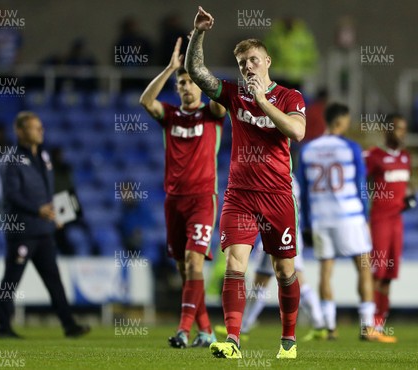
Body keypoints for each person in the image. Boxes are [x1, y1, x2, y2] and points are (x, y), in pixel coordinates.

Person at [185, 6, 306, 359]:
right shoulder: (232, 95)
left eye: (253, 60)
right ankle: (233, 340)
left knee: (284, 271)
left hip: (278, 196)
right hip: (240, 196)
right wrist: (199, 33)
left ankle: (288, 340)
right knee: (236, 264)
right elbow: (196, 71)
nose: (248, 67)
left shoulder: (289, 97)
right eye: (242, 64)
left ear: (267, 61)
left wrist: (263, 102)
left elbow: (297, 131)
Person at [140, 36, 226, 348]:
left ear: (200, 86)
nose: (187, 87)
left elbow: (221, 98)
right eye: (183, 83)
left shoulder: (212, 115)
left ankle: (182, 331)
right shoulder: (170, 116)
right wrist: (169, 69)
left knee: (193, 264)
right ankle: (206, 331)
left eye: (192, 82)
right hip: (173, 202)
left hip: (203, 199)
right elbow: (145, 102)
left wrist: (199, 66)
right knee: (185, 270)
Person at [298, 103, 394, 343]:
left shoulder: (308, 150)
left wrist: (308, 222)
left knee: (325, 272)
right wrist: (365, 217)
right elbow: (362, 185)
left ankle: (329, 327)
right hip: (350, 217)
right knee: (363, 268)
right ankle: (367, 327)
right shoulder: (350, 147)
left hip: (321, 219)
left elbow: (304, 191)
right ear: (341, 121)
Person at [0, 111, 89, 339]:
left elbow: (47, 193)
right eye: (34, 127)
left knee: (54, 281)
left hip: (44, 231)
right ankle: (4, 328)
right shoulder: (11, 160)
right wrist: (37, 209)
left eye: (41, 127)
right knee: (11, 280)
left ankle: (69, 325)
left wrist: (54, 214)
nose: (40, 131)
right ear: (20, 131)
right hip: (22, 231)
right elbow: (11, 195)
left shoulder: (45, 157)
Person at [215, 179, 326, 341]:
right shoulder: (290, 179)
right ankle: (243, 326)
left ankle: (318, 324)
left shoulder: (279, 178)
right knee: (273, 280)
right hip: (288, 233)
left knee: (285, 279)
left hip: (283, 233)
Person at [364, 113, 416, 339]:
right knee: (376, 273)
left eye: (404, 128)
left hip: (397, 221)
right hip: (380, 221)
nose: (402, 133)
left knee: (388, 275)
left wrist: (410, 196)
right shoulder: (374, 155)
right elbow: (359, 181)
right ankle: (368, 324)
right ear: (387, 130)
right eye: (398, 128)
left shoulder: (405, 157)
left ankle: (379, 325)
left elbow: (406, 183)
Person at [263, 16, 319, 90]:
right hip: (278, 74)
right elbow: (265, 52)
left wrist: (308, 71)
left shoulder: (303, 35)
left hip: (296, 76)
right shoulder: (274, 35)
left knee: (294, 98)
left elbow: (311, 54)